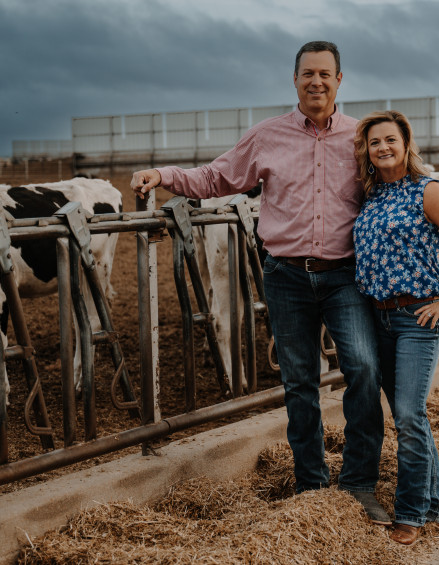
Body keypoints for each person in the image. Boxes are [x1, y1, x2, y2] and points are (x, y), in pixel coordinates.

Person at [130, 41, 392, 525]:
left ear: (340, 81)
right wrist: (162, 173)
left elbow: (404, 185)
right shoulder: (267, 136)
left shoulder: (361, 137)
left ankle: (358, 483)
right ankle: (311, 484)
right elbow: (215, 179)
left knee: (364, 369)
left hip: (346, 277)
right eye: (308, 73)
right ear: (294, 80)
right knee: (299, 382)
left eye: (326, 74)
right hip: (287, 276)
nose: (317, 81)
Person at [352, 110, 439, 545]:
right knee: (411, 416)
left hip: (419, 318)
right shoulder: (370, 198)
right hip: (379, 316)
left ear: (406, 145)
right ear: (367, 152)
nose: (383, 148)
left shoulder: (427, 190)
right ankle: (436, 502)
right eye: (375, 143)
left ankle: (411, 513)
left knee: (408, 414)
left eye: (391, 139)